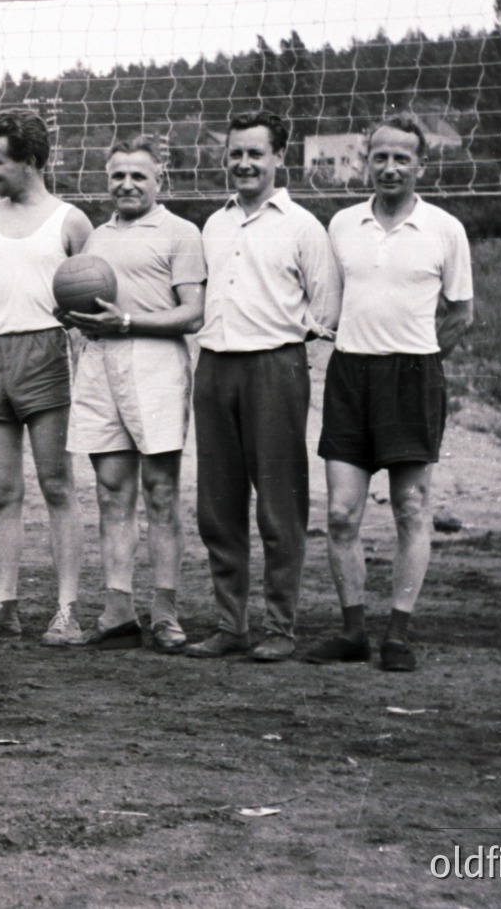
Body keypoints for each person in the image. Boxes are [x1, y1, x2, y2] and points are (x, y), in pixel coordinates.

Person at [306, 114, 473, 672]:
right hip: (351, 376)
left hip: (412, 378)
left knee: (410, 506)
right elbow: (327, 302)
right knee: (341, 513)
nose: (391, 167)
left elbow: (461, 314)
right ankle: (353, 632)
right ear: (365, 162)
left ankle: (397, 634)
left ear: (421, 165)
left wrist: (420, 361)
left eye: (403, 158)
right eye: (380, 157)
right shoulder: (342, 225)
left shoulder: (446, 229)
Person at [186, 110, 340, 662]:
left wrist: (288, 357)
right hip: (215, 367)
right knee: (217, 505)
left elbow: (325, 311)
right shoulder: (214, 224)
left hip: (275, 367)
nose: (245, 163)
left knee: (279, 502)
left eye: (256, 153)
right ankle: (232, 624)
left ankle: (280, 626)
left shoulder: (302, 226)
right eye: (236, 153)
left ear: (279, 157)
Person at [0, 109, 92, 647]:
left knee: (57, 485)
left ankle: (66, 609)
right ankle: (5, 604)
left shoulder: (71, 222)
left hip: (45, 353)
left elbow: (95, 298)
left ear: (30, 162)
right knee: (1, 490)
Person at [62, 137, 205, 651]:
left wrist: (128, 321)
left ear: (159, 180)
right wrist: (75, 317)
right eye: (118, 174)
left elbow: (193, 313)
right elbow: (85, 299)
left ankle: (165, 614)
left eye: (138, 176)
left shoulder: (181, 232)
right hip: (100, 364)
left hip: (155, 364)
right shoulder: (95, 237)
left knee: (161, 493)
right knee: (110, 491)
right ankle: (118, 611)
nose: (126, 184)